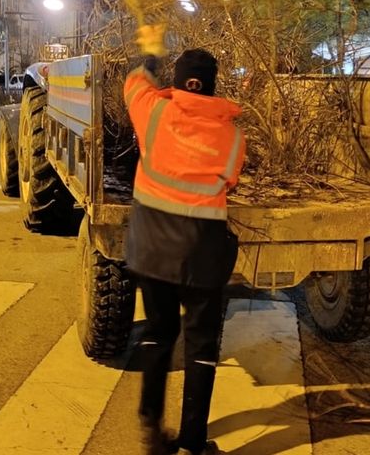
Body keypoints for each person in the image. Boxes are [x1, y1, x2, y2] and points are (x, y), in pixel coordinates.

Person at [123, 24, 245, 455]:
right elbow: (229, 180)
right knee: (202, 344)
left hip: (151, 251)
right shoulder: (232, 136)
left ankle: (151, 431)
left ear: (176, 83)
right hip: (201, 256)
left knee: (158, 333)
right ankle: (194, 439)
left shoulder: (151, 111)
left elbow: (135, 80)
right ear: (212, 88)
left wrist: (152, 52)